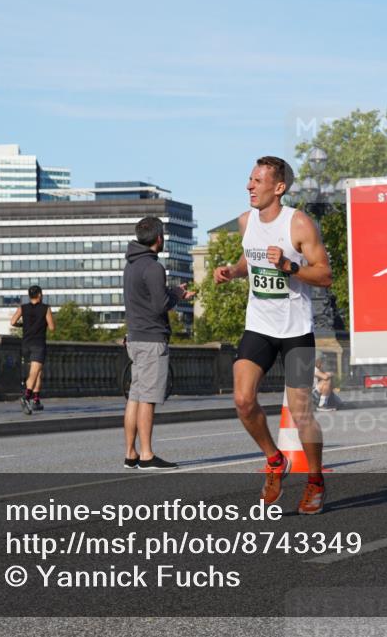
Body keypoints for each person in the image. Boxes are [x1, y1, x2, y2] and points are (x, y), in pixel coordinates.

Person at [214, 156, 333, 515]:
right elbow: (248, 259)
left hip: (296, 332)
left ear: (278, 187)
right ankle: (274, 460)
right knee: (243, 400)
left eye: (258, 181)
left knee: (301, 414)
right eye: (249, 179)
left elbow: (324, 274)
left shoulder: (298, 223)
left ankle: (314, 479)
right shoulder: (246, 221)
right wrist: (232, 272)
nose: (249, 186)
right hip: (259, 327)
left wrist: (289, 266)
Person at [122, 216, 194, 471]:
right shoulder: (154, 267)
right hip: (153, 340)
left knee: (135, 396)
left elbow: (142, 299)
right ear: (159, 238)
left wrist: (171, 292)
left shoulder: (131, 265)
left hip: (135, 337)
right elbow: (160, 305)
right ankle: (147, 455)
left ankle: (130, 453)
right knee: (148, 399)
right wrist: (177, 294)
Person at [10, 285, 55, 415]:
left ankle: (36, 400)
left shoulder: (22, 308)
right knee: (35, 373)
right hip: (38, 344)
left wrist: (24, 325)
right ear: (40, 295)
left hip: (25, 344)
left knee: (36, 372)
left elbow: (12, 322)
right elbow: (52, 327)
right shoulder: (45, 308)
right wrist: (43, 323)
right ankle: (27, 397)